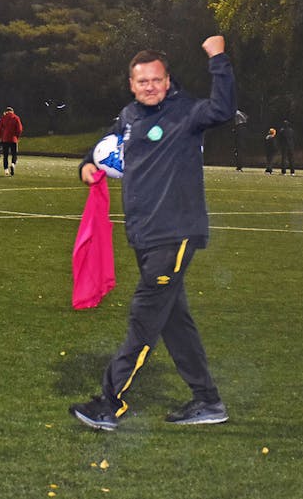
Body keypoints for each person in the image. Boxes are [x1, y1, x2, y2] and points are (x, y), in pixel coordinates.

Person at [69, 35, 234, 431]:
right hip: (144, 234)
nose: (150, 87)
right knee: (175, 322)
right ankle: (208, 400)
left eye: (156, 80)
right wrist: (86, 165)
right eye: (142, 81)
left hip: (174, 233)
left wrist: (218, 59)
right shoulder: (129, 116)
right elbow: (105, 147)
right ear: (132, 84)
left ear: (167, 80)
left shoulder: (187, 112)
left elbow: (223, 109)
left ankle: (110, 403)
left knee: (144, 319)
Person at [0, 106, 23, 176]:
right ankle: (13, 164)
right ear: (12, 111)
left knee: (5, 156)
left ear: (6, 111)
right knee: (14, 154)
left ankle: (6, 170)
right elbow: (20, 129)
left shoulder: (3, 118)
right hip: (13, 139)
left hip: (5, 139)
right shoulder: (16, 117)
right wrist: (17, 136)